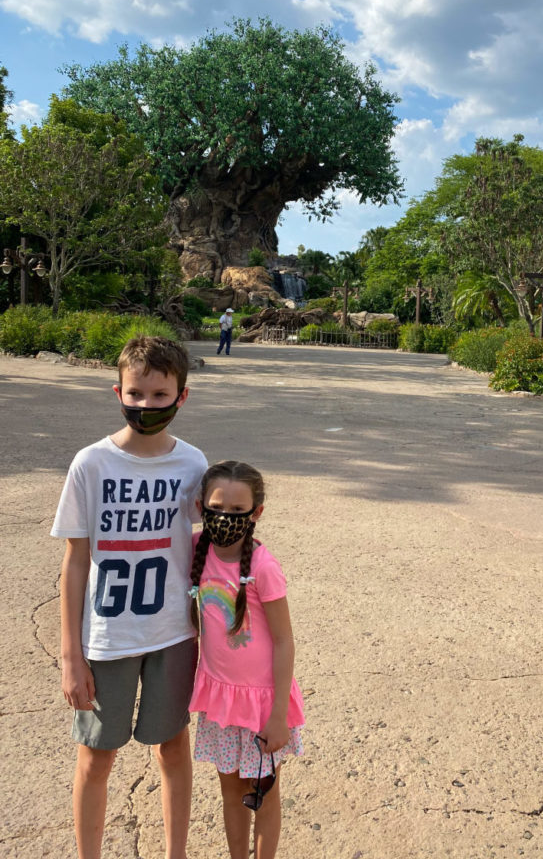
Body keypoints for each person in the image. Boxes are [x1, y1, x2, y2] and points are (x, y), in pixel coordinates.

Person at [52, 336, 207, 859]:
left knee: (172, 748)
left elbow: (209, 546)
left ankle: (175, 852)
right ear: (118, 391)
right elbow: (74, 563)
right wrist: (71, 656)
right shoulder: (91, 464)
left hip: (173, 633)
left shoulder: (192, 464)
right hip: (107, 635)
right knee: (96, 757)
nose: (145, 406)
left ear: (181, 396)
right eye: (136, 394)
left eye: (159, 395)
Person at [189, 460, 304, 859]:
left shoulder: (263, 567)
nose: (226, 517)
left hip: (261, 705)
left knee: (263, 793)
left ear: (256, 513)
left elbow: (284, 640)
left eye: (238, 511)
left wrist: (277, 715)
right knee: (231, 791)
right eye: (217, 506)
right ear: (201, 505)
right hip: (221, 702)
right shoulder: (195, 552)